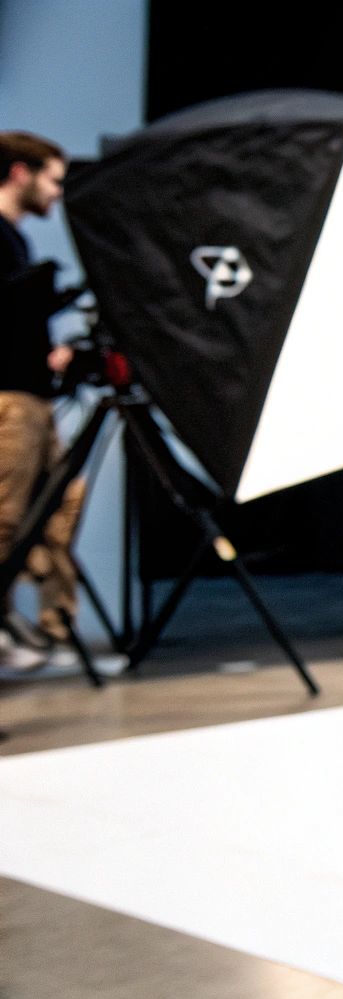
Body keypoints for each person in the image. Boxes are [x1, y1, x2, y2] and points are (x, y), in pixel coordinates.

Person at [0, 130, 89, 674]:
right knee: (5, 521)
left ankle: (51, 633)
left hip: (33, 395)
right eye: (53, 180)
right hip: (9, 403)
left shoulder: (14, 241)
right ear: (19, 173)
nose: (58, 194)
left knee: (61, 505)